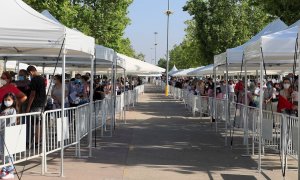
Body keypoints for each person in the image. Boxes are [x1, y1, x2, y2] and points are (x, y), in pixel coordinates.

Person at [0, 93, 17, 179]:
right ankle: (3, 169)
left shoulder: (12, 110)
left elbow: (12, 121)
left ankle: (10, 171)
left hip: (8, 133)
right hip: (1, 132)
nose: (7, 101)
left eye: (9, 100)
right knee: (2, 152)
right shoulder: (1, 107)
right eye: (5, 99)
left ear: (13, 101)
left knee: (8, 152)